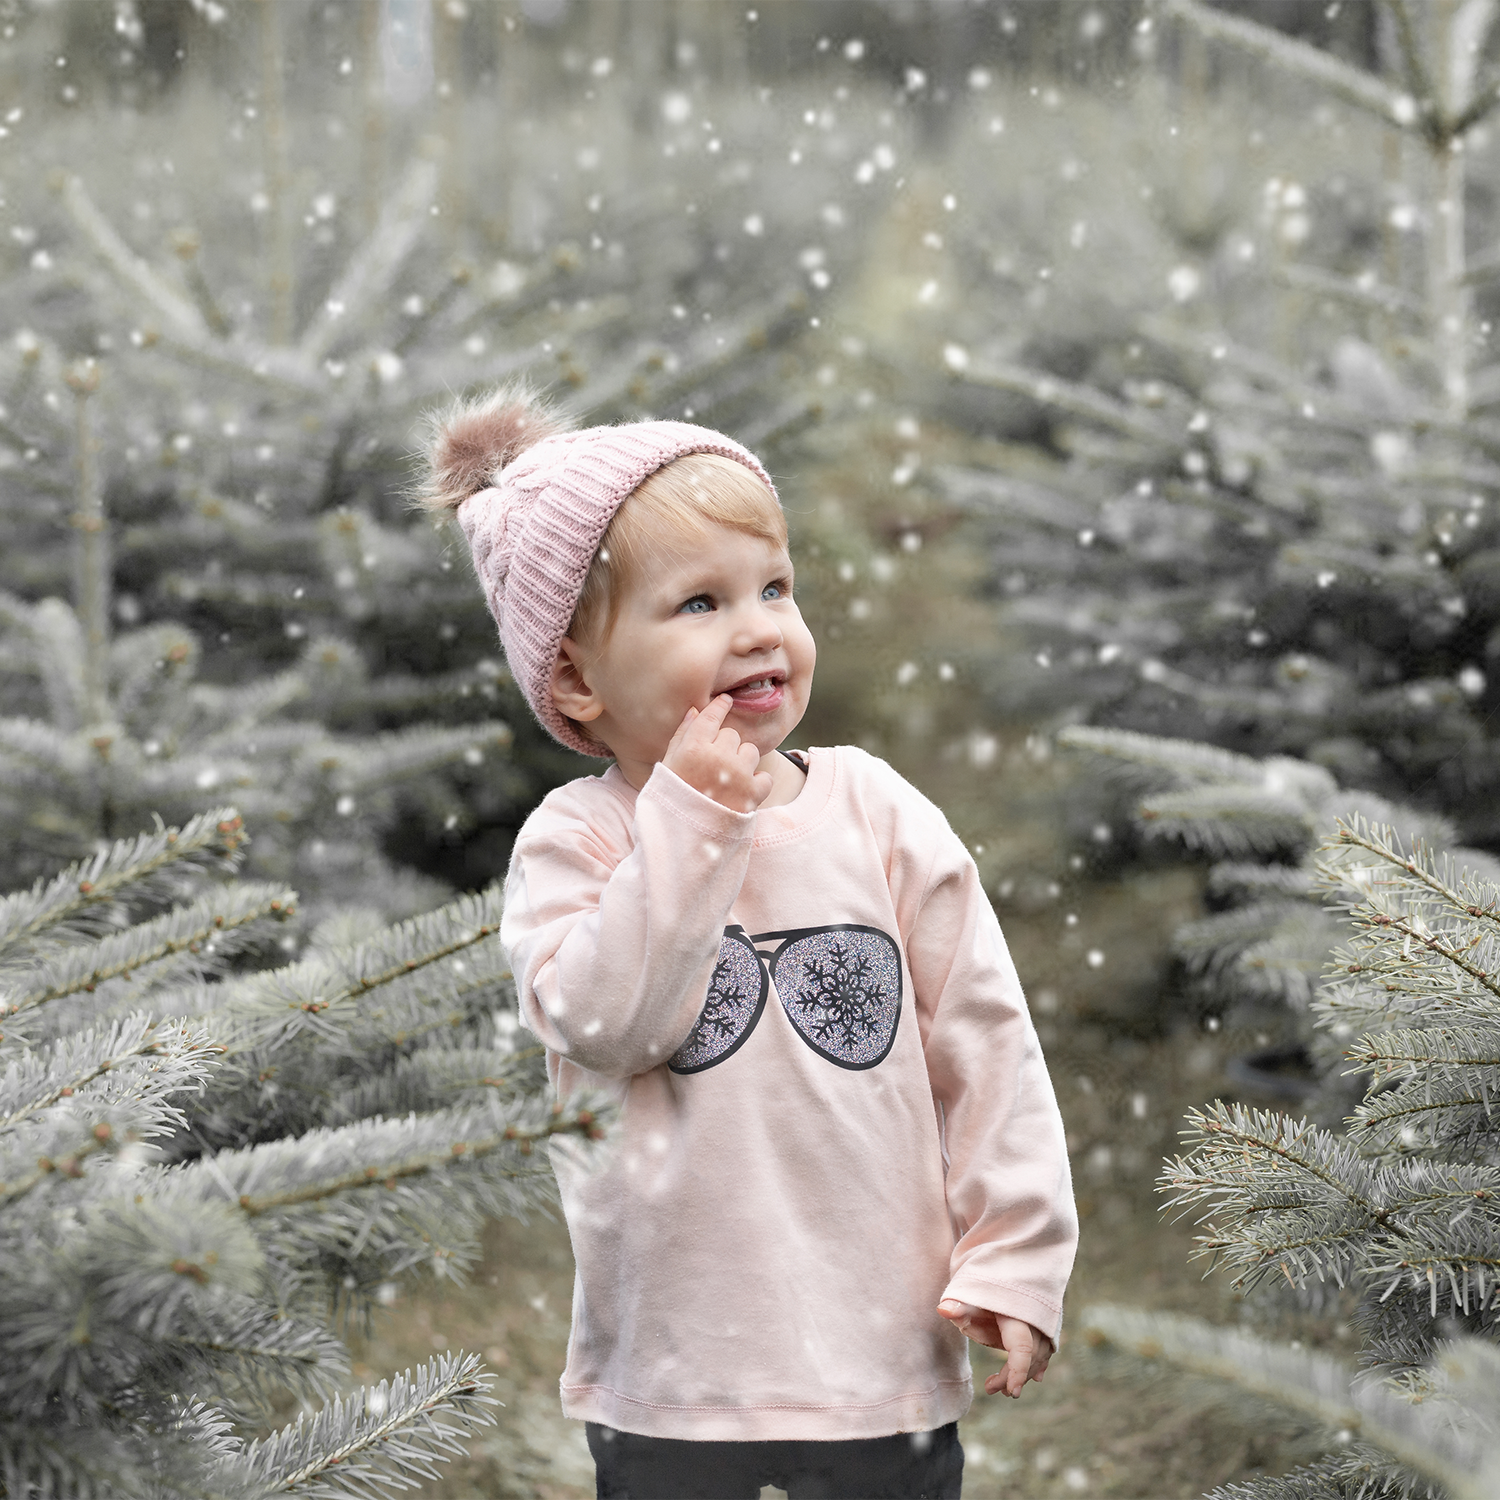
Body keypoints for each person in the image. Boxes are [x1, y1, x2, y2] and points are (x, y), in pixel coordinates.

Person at [417, 388, 1079, 1500]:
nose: (760, 626)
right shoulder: (580, 842)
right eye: (699, 603)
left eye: (775, 586)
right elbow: (608, 1022)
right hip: (676, 1364)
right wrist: (688, 820)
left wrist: (1015, 1251)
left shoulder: (876, 812)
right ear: (578, 676)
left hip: (879, 1346)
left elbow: (987, 1045)